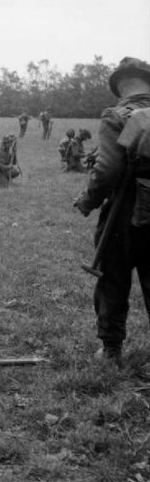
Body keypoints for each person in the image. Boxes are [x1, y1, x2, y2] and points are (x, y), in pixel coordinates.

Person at [73, 57, 150, 367]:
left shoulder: (117, 115)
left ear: (120, 85)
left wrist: (87, 201)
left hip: (126, 211)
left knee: (113, 280)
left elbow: (107, 171)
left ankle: (111, 350)